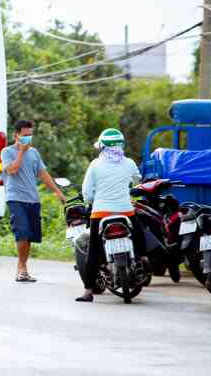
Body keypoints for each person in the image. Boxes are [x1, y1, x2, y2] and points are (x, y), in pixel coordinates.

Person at [76, 128, 144, 302]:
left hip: (100, 212)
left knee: (93, 252)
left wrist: (90, 201)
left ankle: (88, 291)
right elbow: (137, 180)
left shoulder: (95, 164)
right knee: (139, 236)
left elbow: (87, 191)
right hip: (125, 211)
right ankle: (141, 260)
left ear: (102, 147)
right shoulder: (128, 163)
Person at [1, 120, 65, 282]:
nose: (28, 138)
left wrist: (58, 192)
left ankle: (23, 267)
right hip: (15, 198)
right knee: (22, 232)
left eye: (30, 135)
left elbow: (43, 174)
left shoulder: (34, 153)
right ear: (16, 135)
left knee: (29, 236)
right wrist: (21, 152)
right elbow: (13, 170)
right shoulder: (7, 152)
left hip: (33, 199)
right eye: (25, 136)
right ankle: (21, 269)